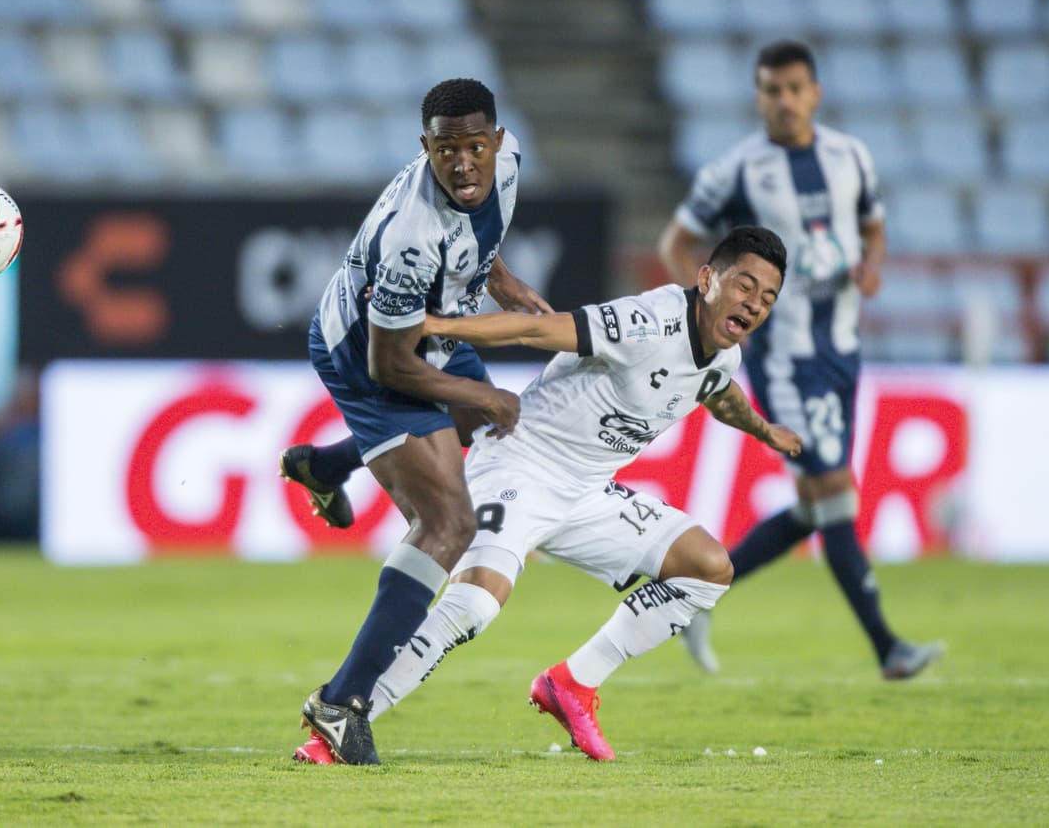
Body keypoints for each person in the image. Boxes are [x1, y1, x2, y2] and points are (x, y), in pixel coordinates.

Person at [295, 225, 800, 764]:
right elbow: (538, 331)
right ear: (707, 279)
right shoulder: (647, 322)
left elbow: (721, 395)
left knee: (707, 568)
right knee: (474, 605)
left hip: (586, 494)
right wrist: (438, 325)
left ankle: (572, 684)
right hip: (520, 462)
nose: (755, 304)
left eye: (767, 298)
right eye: (745, 286)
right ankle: (342, 722)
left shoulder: (724, 355)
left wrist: (766, 432)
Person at [657, 40, 943, 680]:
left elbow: (872, 223)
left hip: (843, 348)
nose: (783, 101)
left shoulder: (850, 157)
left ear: (814, 92)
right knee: (835, 493)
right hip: (784, 358)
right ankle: (888, 647)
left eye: (793, 89)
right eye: (770, 90)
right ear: (758, 97)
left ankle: (701, 594)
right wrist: (717, 321)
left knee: (818, 505)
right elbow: (676, 244)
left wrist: (872, 265)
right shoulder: (735, 171)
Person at [291, 78, 551, 766]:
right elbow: (391, 366)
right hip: (367, 350)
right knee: (447, 523)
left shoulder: (510, 163)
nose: (462, 164)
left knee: (469, 428)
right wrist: (488, 396)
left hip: (432, 324)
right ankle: (340, 702)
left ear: (497, 141)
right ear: (424, 148)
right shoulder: (411, 237)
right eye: (445, 151)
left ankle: (326, 464)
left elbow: (477, 244)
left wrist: (506, 283)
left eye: (474, 147)